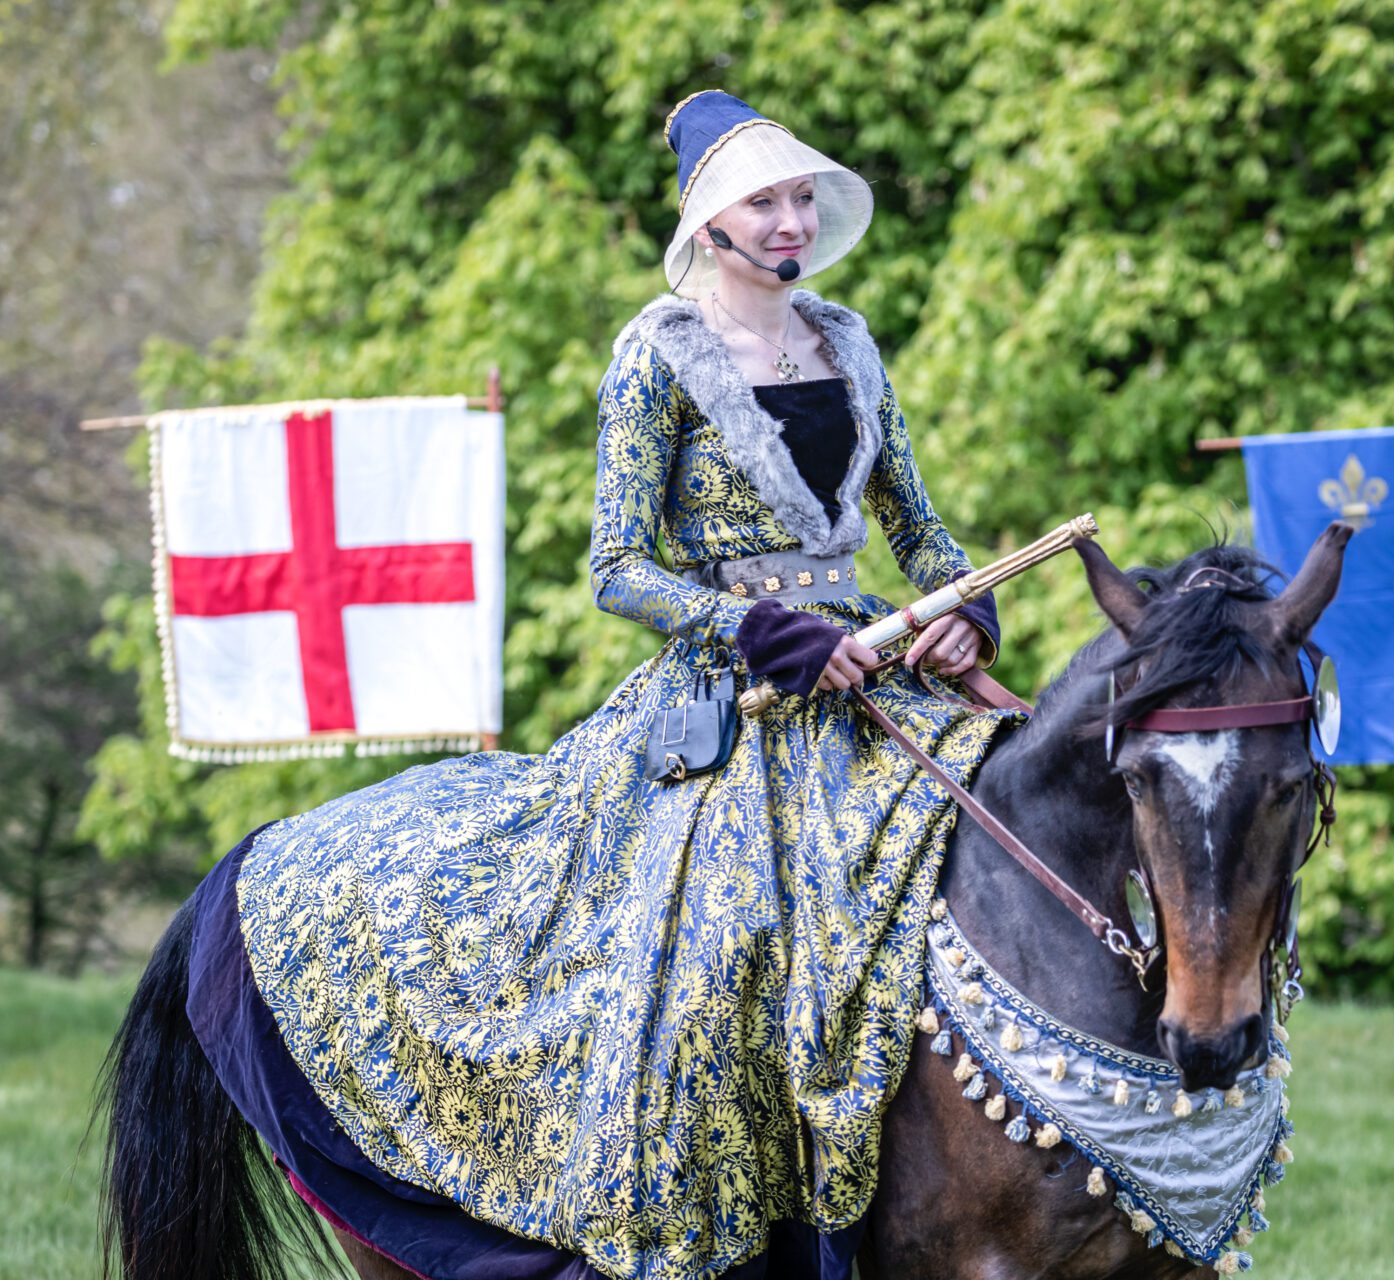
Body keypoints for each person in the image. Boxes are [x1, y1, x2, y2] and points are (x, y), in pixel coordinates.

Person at [195, 90, 1021, 1280]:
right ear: (712, 223)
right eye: (765, 202)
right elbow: (617, 564)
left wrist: (962, 608)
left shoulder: (849, 341)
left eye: (801, 198)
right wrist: (757, 628)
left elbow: (921, 531)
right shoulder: (658, 353)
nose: (790, 221)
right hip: (737, 689)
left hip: (876, 672)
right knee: (723, 945)